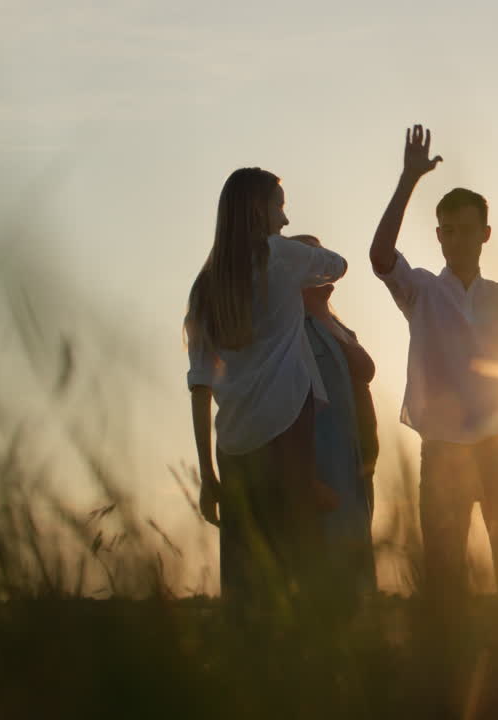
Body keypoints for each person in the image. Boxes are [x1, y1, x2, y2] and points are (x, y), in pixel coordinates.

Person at [370, 125, 498, 600]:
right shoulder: (423, 293)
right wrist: (410, 178)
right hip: (444, 452)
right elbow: (380, 256)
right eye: (447, 231)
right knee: (445, 585)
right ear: (438, 235)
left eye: (467, 229)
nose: (456, 239)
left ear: (485, 234)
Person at [185, 167, 347, 614]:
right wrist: (306, 245)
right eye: (280, 205)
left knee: (246, 576)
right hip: (287, 432)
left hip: (234, 447)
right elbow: (338, 266)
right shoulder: (283, 255)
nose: (285, 218)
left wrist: (206, 474)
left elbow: (200, 384)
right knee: (300, 564)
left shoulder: (204, 288)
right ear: (261, 209)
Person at [301, 251, 379, 595]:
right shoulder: (292, 332)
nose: (322, 264)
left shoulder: (337, 326)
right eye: (310, 257)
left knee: (357, 567)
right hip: (324, 471)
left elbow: (365, 370)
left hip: (357, 466)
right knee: (329, 577)